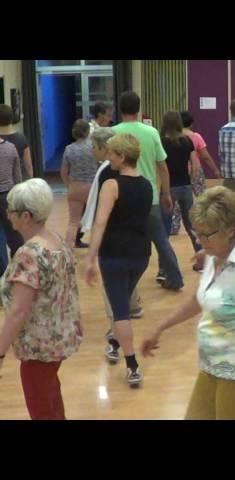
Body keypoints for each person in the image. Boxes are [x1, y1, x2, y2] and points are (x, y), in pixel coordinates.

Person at [141, 186, 235, 420]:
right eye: (198, 233)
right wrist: (160, 327)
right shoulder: (215, 255)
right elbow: (201, 300)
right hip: (210, 368)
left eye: (207, 235)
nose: (200, 240)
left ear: (231, 230)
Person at [0, 179, 82, 419]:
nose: (7, 214)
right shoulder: (56, 240)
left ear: (25, 216)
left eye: (11, 210)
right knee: (51, 399)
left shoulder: (29, 254)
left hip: (38, 348)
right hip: (56, 340)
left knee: (42, 408)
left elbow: (18, 312)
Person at [85, 133, 152, 386]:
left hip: (114, 254)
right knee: (121, 300)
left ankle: (132, 365)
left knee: (120, 310)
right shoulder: (146, 185)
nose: (108, 157)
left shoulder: (111, 185)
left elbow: (100, 223)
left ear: (122, 156)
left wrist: (90, 258)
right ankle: (114, 341)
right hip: (141, 255)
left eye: (112, 153)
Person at [112, 91, 184, 290]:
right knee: (161, 240)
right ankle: (176, 278)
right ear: (138, 108)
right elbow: (162, 166)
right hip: (149, 196)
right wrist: (166, 193)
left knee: (123, 239)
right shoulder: (151, 133)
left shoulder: (112, 133)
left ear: (120, 108)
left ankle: (125, 283)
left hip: (121, 196)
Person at [169, 111, 222, 237]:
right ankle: (208, 221)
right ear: (191, 123)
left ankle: (174, 226)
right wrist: (215, 169)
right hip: (196, 170)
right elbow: (205, 156)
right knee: (203, 197)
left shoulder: (173, 137)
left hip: (180, 171)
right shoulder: (196, 136)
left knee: (176, 201)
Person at [159, 111, 202, 255]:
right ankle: (200, 258)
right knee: (191, 225)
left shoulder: (162, 142)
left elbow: (160, 167)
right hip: (185, 186)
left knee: (165, 228)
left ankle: (164, 268)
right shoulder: (187, 141)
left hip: (168, 188)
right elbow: (195, 165)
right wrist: (192, 181)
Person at [60, 119, 98, 248]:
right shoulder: (93, 147)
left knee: (73, 222)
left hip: (75, 187)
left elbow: (64, 172)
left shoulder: (69, 149)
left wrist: (69, 185)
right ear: (88, 132)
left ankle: (68, 251)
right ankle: (97, 250)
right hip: (92, 187)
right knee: (96, 221)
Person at [0, 134, 23, 277]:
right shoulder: (10, 148)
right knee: (14, 233)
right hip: (8, 196)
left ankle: (2, 273)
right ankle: (18, 269)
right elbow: (17, 176)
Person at [0, 104, 33, 179]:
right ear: (11, 119)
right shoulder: (21, 138)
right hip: (16, 181)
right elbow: (28, 164)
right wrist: (31, 179)